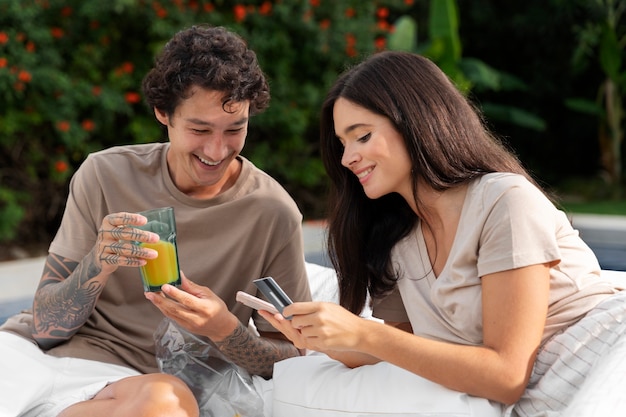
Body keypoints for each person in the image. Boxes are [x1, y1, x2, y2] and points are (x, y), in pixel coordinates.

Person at [260, 50, 625, 416]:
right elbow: (404, 346)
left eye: (362, 136)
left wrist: (363, 332)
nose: (347, 158)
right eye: (342, 144)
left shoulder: (505, 202)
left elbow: (507, 375)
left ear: (414, 121)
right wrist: (326, 340)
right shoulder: (398, 241)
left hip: (601, 365)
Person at [0, 25, 311, 417]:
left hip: (143, 388)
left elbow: (294, 359)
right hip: (38, 361)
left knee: (166, 405)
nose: (217, 150)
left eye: (235, 129)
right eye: (199, 129)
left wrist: (224, 329)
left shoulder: (272, 213)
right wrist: (98, 262)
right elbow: (46, 328)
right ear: (163, 114)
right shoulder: (104, 175)